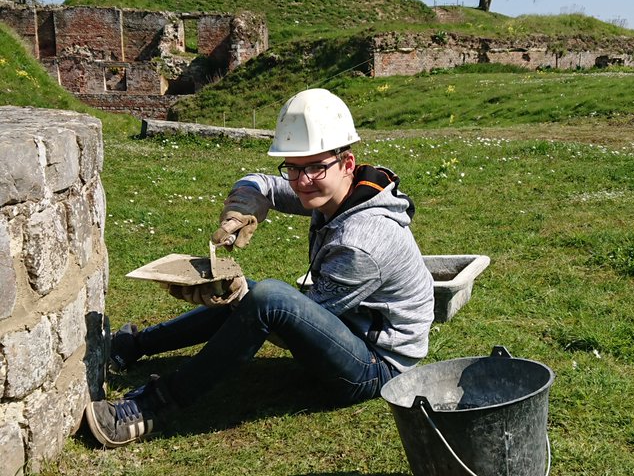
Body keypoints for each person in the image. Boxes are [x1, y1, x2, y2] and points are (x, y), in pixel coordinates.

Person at [87, 88, 435, 447]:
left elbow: (284, 330)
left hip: (377, 367)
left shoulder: (361, 242)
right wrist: (242, 208)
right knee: (256, 296)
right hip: (352, 331)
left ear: (347, 163)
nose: (302, 181)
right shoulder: (344, 193)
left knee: (265, 298)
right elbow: (261, 184)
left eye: (315, 166)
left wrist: (239, 297)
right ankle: (134, 345)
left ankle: (152, 407)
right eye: (294, 167)